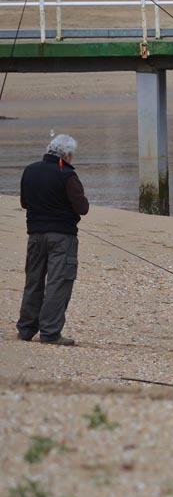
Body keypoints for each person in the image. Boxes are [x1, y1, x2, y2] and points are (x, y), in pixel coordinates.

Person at [17, 133, 90, 346]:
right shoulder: (67, 175)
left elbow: (24, 202)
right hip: (62, 237)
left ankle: (26, 328)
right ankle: (50, 332)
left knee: (34, 281)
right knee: (58, 283)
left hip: (35, 235)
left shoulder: (30, 170)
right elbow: (82, 208)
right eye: (72, 155)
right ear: (66, 155)